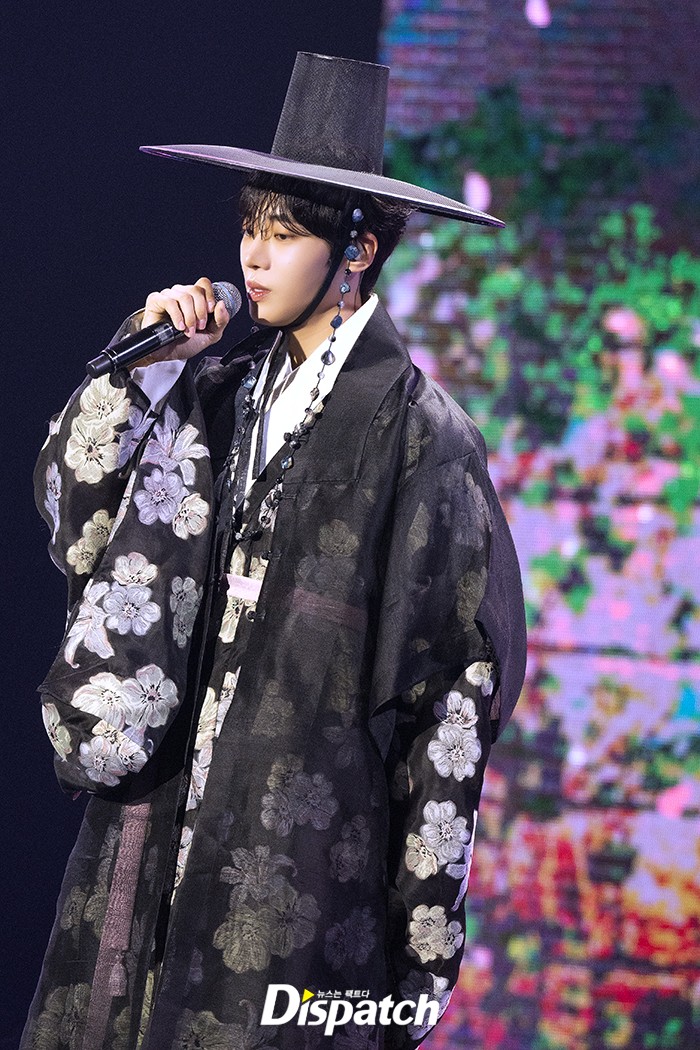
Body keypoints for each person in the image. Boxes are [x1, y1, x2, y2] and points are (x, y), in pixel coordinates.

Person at [23, 53, 526, 1050]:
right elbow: (76, 515)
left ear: (357, 250)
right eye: (250, 227)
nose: (253, 256)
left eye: (284, 234)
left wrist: (421, 923)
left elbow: (454, 682)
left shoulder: (424, 438)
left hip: (301, 836)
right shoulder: (214, 390)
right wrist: (146, 365)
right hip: (158, 806)